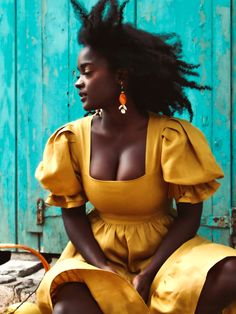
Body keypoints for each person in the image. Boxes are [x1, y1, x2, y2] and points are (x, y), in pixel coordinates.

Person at [35, 1, 236, 313]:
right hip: (99, 256)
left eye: (87, 72)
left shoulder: (171, 137)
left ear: (121, 77)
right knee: (67, 306)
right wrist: (102, 266)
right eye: (79, 73)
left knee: (229, 272)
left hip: (165, 254)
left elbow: (188, 217)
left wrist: (149, 273)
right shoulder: (71, 139)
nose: (78, 82)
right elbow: (72, 213)